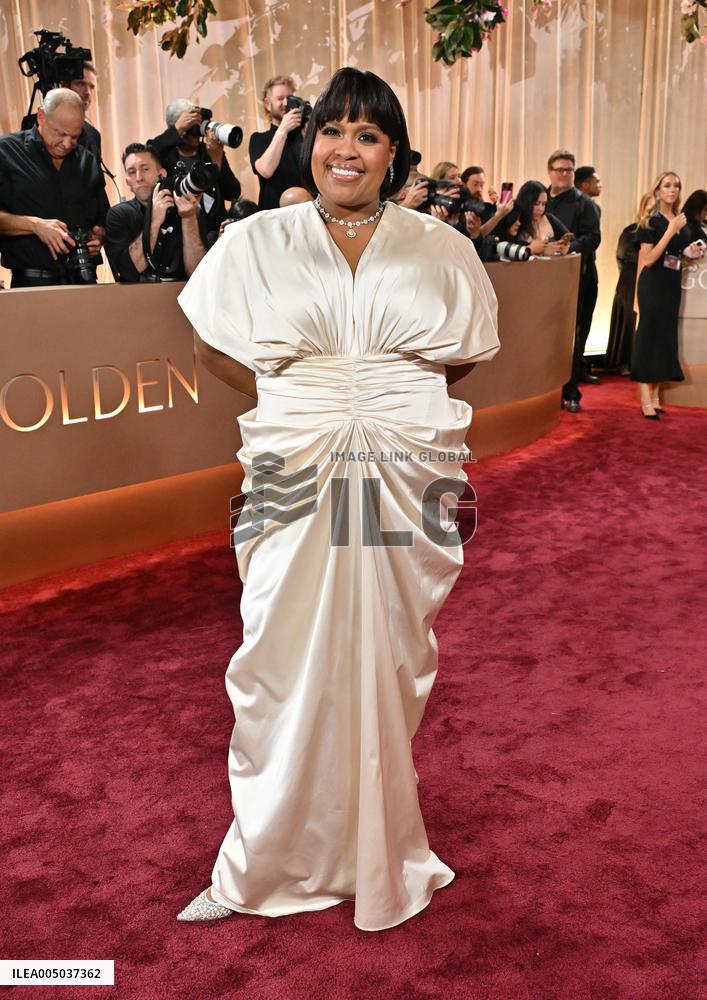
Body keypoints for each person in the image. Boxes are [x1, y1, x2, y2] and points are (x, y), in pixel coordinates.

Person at [176, 66, 499, 932]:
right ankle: (261, 859)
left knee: (387, 655)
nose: (344, 150)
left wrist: (387, 390)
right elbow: (214, 344)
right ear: (309, 140)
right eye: (330, 130)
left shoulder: (441, 247)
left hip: (404, 464)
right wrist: (305, 394)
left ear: (393, 153)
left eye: (366, 135)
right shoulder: (257, 242)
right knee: (277, 651)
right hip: (294, 453)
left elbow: (459, 352)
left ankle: (380, 851)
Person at [0, 88, 108, 287]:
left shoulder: (87, 161)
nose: (67, 144)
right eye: (61, 134)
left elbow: (102, 217)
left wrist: (97, 237)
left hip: (84, 281)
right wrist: (34, 225)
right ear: (41, 116)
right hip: (32, 285)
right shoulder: (6, 151)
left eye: (75, 137)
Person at [630, 171, 705, 418]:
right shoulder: (651, 221)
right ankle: (644, 397)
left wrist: (689, 253)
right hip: (652, 285)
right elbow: (649, 259)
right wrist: (671, 231)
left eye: (676, 186)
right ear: (658, 190)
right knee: (647, 339)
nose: (672, 190)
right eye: (667, 185)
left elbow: (674, 256)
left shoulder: (679, 219)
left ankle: (655, 394)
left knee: (664, 338)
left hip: (671, 285)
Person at [546, 149, 602, 410]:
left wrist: (571, 247)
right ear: (550, 172)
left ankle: (571, 391)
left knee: (576, 336)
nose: (565, 174)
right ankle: (546, 389)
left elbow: (594, 238)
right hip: (545, 282)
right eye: (560, 170)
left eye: (569, 170)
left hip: (580, 279)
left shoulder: (585, 204)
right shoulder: (541, 199)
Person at [105, 143, 206, 281]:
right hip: (138, 299)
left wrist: (188, 218)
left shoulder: (187, 208)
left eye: (145, 169)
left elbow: (199, 274)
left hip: (181, 296)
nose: (139, 177)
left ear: (162, 174)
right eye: (132, 172)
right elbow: (129, 271)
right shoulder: (119, 215)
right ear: (128, 183)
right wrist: (153, 222)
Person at [148, 98, 242, 243]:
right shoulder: (165, 154)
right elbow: (149, 150)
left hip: (214, 234)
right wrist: (177, 130)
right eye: (190, 126)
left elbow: (233, 192)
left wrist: (216, 160)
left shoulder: (210, 151)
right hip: (178, 234)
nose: (196, 132)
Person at [604, 195, 651, 375]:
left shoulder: (664, 232)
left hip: (653, 278)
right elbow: (621, 257)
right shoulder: (631, 231)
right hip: (630, 279)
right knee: (629, 319)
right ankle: (624, 361)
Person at [248, 76, 307, 210]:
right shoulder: (259, 139)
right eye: (280, 99)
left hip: (306, 211)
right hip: (274, 214)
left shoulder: (304, 135)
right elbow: (266, 170)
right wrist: (283, 129)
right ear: (267, 104)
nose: (286, 103)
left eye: (290, 98)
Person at [512, 180, 570, 256]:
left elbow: (571, 239)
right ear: (526, 202)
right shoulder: (515, 220)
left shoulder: (550, 218)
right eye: (537, 204)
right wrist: (532, 250)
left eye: (544, 204)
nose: (541, 208)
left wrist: (565, 248)